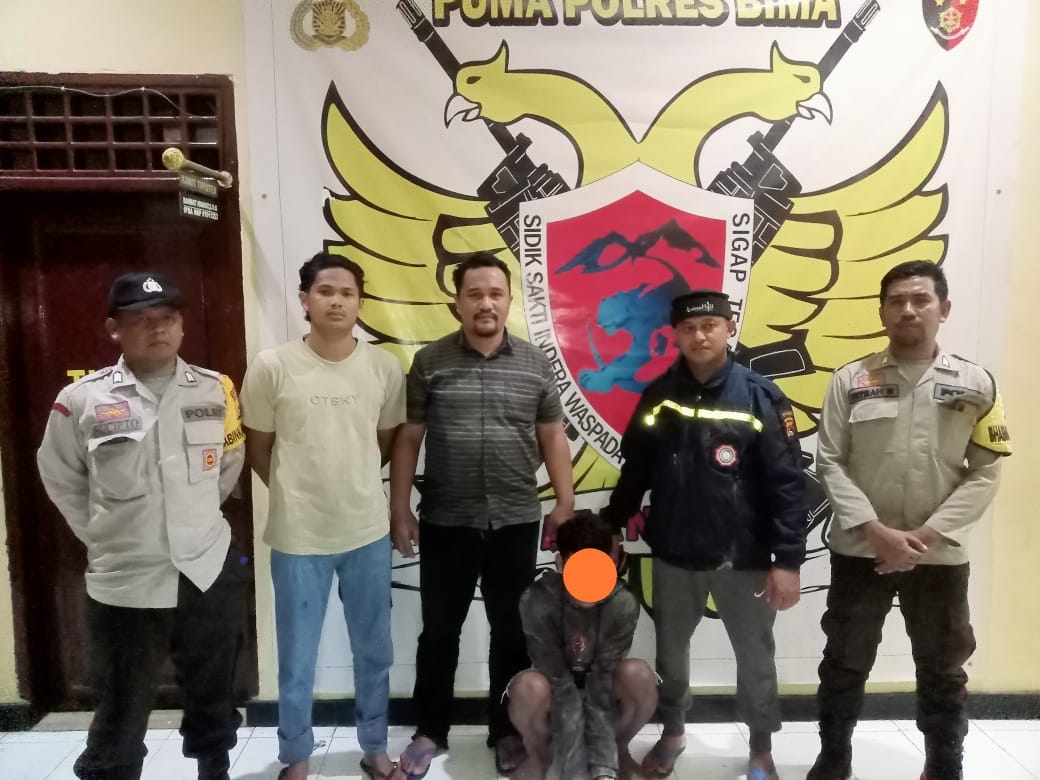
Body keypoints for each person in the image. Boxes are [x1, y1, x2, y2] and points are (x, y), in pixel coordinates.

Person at [37, 272, 249, 780]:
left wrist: (191, 518)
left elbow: (229, 462)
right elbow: (59, 476)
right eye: (142, 319)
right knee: (120, 705)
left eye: (168, 318)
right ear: (114, 328)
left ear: (182, 326)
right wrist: (107, 533)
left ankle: (214, 770)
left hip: (206, 570)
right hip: (125, 582)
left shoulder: (216, 388)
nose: (158, 328)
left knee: (213, 692)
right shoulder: (81, 399)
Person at [809, 261, 1010, 780]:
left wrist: (923, 536)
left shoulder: (977, 384)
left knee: (943, 668)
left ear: (944, 308)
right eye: (896, 300)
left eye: (921, 299)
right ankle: (834, 760)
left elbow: (985, 472)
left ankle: (943, 764)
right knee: (844, 662)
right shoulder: (851, 379)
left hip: (938, 555)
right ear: (881, 311)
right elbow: (829, 461)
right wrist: (875, 531)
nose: (908, 309)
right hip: (862, 551)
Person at [601, 289, 807, 780]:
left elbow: (787, 483)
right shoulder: (659, 396)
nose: (700, 335)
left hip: (745, 557)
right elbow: (636, 469)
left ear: (729, 328)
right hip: (675, 553)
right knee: (671, 654)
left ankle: (760, 748)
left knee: (755, 657)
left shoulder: (760, 396)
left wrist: (788, 561)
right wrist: (612, 524)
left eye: (710, 325)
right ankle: (673, 732)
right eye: (689, 328)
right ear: (675, 334)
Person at [389, 252, 575, 779]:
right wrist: (399, 508)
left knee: (511, 632)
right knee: (438, 632)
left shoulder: (535, 363)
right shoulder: (430, 362)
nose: (485, 303)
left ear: (509, 300)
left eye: (495, 293)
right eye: (474, 294)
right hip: (447, 520)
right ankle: (429, 730)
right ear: (457, 302)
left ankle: (507, 731)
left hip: (515, 520)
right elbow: (409, 437)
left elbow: (552, 435)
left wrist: (564, 503)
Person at [240, 252, 405, 780]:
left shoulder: (383, 368)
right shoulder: (272, 366)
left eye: (347, 293)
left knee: (374, 652)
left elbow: (384, 444)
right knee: (297, 657)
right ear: (304, 300)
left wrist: (347, 485)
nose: (337, 301)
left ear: (360, 302)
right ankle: (296, 758)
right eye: (325, 291)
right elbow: (258, 449)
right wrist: (298, 494)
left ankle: (375, 747)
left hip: (366, 532)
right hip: (298, 537)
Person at [507, 510, 658, 780]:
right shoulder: (537, 599)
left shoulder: (622, 602)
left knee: (639, 675)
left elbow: (603, 679)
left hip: (603, 688)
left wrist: (603, 769)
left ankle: (619, 752)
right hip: (557, 687)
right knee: (527, 687)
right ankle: (542, 756)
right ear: (561, 563)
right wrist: (573, 769)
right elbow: (558, 680)